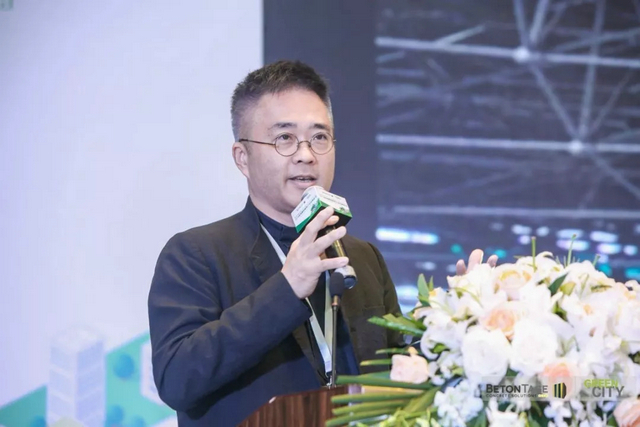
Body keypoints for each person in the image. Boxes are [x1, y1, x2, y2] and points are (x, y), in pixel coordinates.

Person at [147, 60, 496, 426]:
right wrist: (286, 289)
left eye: (319, 137)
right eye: (284, 138)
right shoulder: (196, 254)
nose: (306, 154)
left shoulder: (363, 257)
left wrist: (456, 322)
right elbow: (177, 378)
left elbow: (398, 373)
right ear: (243, 158)